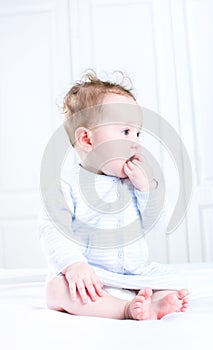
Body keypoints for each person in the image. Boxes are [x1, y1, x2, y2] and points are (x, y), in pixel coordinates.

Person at [38, 71, 189, 320]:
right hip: (91, 274)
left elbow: (160, 224)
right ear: (87, 138)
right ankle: (125, 309)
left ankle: (156, 302)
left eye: (137, 134)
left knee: (171, 281)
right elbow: (53, 229)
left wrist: (146, 189)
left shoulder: (135, 182)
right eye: (125, 132)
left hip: (134, 274)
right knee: (57, 290)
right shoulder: (66, 184)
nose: (136, 142)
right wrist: (74, 265)